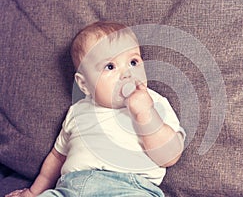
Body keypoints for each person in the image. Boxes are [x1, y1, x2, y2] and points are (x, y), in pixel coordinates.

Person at [6, 21, 185, 197]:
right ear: (84, 85)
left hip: (129, 187)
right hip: (70, 187)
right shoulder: (77, 112)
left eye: (133, 62)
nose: (127, 74)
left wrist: (145, 114)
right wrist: (33, 192)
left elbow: (169, 157)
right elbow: (57, 158)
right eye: (110, 66)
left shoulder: (154, 103)